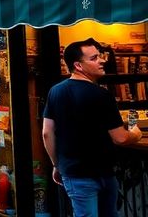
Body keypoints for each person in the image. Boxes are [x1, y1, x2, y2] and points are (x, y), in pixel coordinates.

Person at [43, 39, 142, 216]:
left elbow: (47, 133)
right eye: (95, 58)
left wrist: (56, 165)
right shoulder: (102, 95)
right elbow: (120, 138)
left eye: (100, 56)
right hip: (104, 172)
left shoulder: (55, 92)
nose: (102, 61)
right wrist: (135, 134)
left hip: (75, 172)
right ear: (78, 65)